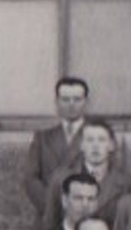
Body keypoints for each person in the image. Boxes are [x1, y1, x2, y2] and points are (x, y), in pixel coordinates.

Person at [40, 119, 131, 230]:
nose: (95, 146)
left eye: (101, 140)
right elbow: (50, 221)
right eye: (89, 140)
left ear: (111, 146)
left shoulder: (126, 183)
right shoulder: (60, 179)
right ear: (82, 145)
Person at [24, 77, 90, 220]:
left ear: (86, 102)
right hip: (49, 217)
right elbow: (31, 178)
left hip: (87, 217)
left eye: (77, 99)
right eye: (65, 99)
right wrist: (51, 207)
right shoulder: (43, 138)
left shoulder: (97, 136)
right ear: (57, 102)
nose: (71, 104)